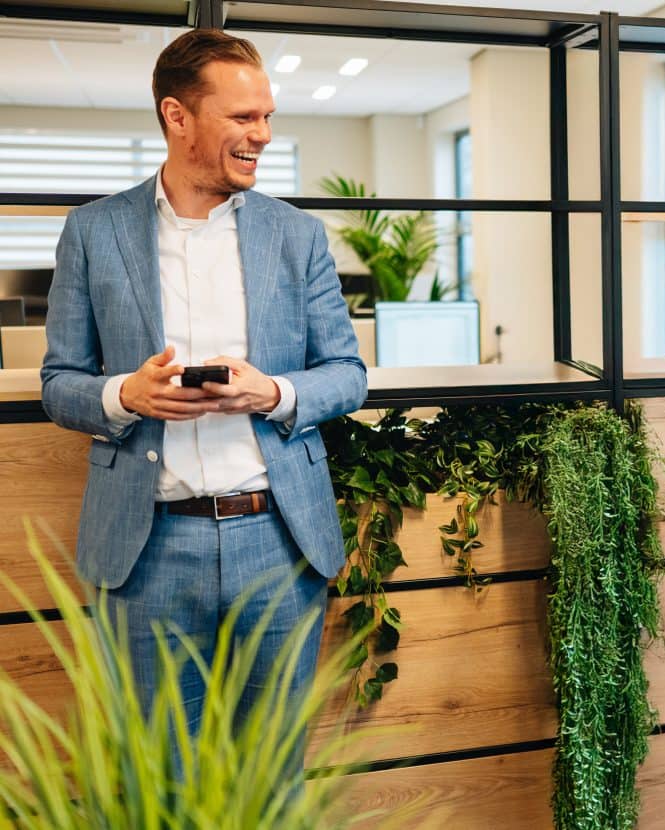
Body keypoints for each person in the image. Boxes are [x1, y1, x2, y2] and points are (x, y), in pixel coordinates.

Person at [40, 28, 365, 735]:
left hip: (278, 542)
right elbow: (59, 382)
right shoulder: (93, 232)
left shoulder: (297, 235)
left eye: (267, 116)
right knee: (161, 773)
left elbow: (347, 375)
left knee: (272, 770)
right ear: (177, 116)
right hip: (148, 548)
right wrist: (123, 396)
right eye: (243, 117)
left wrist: (271, 394)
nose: (264, 134)